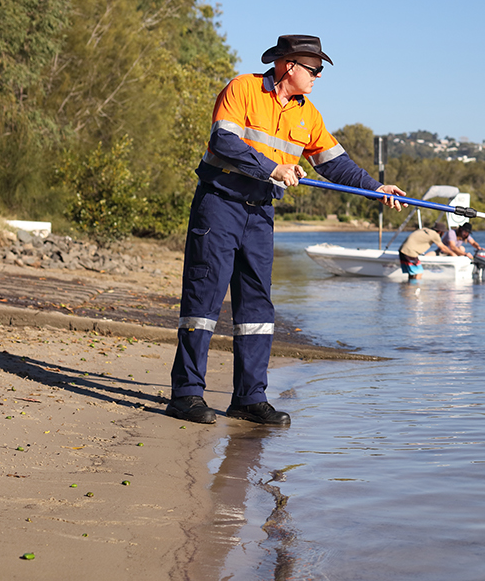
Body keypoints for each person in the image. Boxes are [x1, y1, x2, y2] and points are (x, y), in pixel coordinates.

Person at [166, 34, 405, 426]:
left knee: (257, 308)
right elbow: (223, 140)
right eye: (314, 69)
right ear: (287, 65)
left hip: (260, 213)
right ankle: (187, 394)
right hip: (219, 204)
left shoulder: (307, 113)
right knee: (204, 297)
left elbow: (335, 163)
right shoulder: (242, 88)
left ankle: (248, 397)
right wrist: (271, 167)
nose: (318, 76)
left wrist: (374, 189)